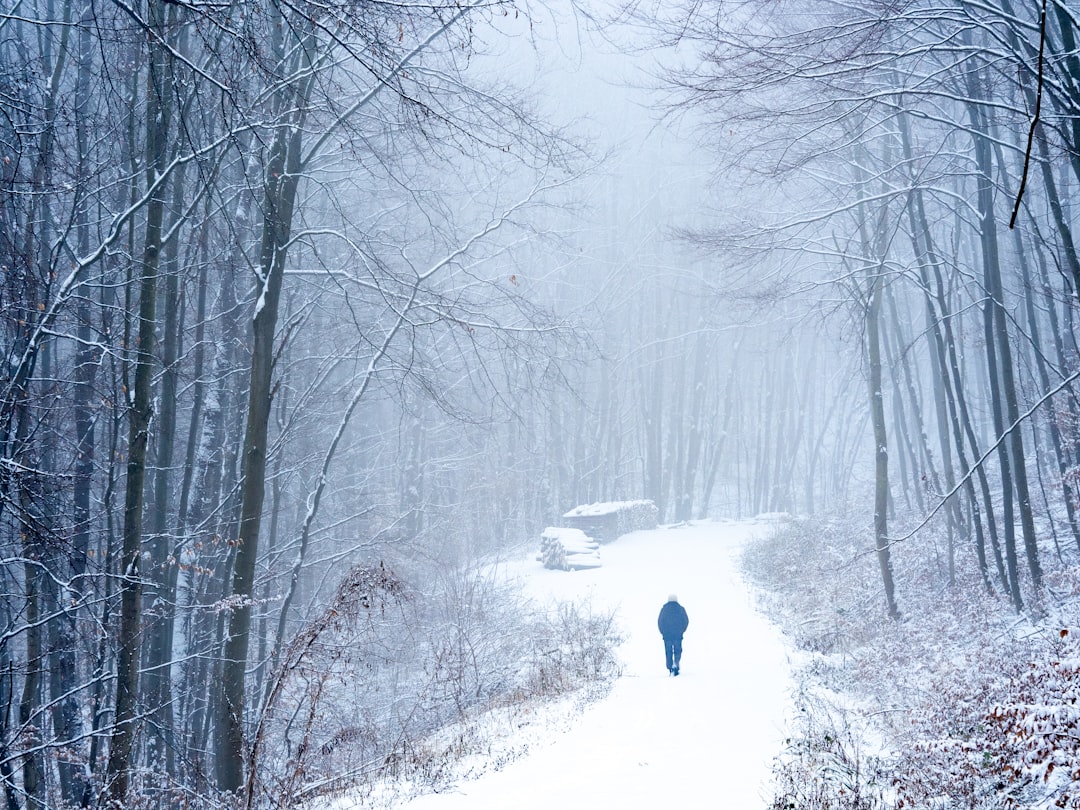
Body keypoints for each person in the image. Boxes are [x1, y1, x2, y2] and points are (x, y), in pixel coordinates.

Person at [657, 594, 689, 676]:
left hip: (667, 635)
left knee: (668, 652)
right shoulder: (681, 609)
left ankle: (670, 667)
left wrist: (662, 632)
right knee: (678, 650)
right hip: (678, 634)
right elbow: (686, 621)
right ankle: (676, 663)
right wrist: (682, 630)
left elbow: (660, 621)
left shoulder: (664, 609)